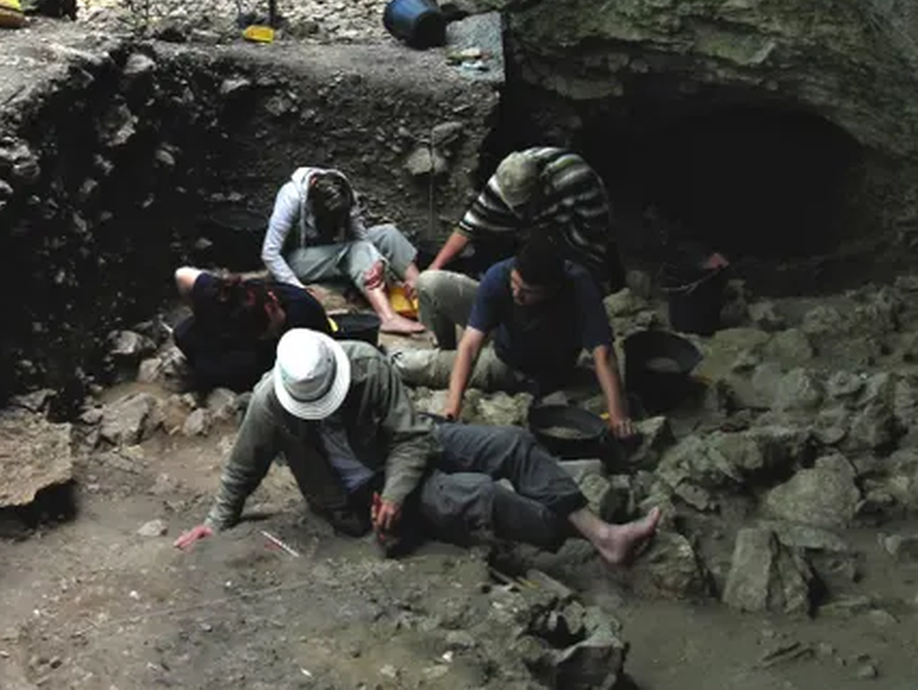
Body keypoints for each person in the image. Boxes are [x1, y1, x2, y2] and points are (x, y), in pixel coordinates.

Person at [174, 329, 661, 563]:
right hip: (355, 495)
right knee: (477, 495)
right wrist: (215, 524)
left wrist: (399, 492)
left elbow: (410, 438)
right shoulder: (268, 404)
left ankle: (603, 533)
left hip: (402, 449)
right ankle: (580, 539)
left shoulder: (364, 364)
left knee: (512, 442)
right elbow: (243, 469)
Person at [393, 228, 637, 439]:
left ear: (552, 289)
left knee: (423, 365)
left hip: (538, 371)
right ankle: (390, 357)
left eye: (528, 292)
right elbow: (470, 347)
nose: (517, 294)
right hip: (503, 353)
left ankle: (402, 359)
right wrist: (453, 405)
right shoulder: (500, 275)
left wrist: (618, 415)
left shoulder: (579, 286)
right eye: (515, 284)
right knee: (414, 360)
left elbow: (603, 355)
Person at [426, 146, 621, 292]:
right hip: (537, 225)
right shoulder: (501, 185)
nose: (518, 211)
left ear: (541, 183)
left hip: (572, 221)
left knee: (581, 279)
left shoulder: (575, 180)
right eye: (513, 206)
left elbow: (595, 236)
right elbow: (468, 228)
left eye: (523, 205)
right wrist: (434, 267)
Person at [261, 167, 425, 336]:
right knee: (355, 250)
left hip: (331, 251)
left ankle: (422, 290)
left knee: (387, 233)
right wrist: (299, 288)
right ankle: (388, 318)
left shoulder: (341, 191)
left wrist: (378, 262)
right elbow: (270, 253)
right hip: (297, 259)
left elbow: (360, 235)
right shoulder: (291, 197)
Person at [171, 267, 332, 392]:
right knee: (183, 335)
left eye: (266, 331)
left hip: (287, 352)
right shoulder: (229, 296)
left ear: (273, 305)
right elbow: (182, 275)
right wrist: (202, 318)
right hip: (249, 344)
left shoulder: (304, 315)